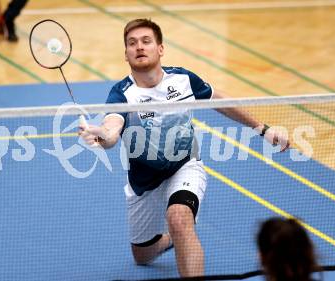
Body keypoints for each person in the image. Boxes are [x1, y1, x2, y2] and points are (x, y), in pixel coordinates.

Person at [79, 18, 290, 277]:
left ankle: (180, 231)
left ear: (160, 49)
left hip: (185, 166)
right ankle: (171, 239)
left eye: (146, 41)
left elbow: (218, 100)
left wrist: (263, 129)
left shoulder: (182, 79)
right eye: (132, 43)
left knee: (179, 217)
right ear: (126, 54)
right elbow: (112, 129)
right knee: (142, 255)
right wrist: (101, 136)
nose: (139, 47)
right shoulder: (122, 94)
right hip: (144, 180)